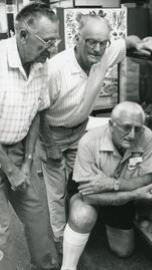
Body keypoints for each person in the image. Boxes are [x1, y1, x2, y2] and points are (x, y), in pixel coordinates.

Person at [39, 12, 152, 246]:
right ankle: (59, 239)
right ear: (77, 38)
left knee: (80, 183)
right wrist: (50, 145)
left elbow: (127, 41)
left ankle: (83, 224)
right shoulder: (56, 69)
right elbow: (38, 112)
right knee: (56, 191)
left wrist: (139, 41)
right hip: (52, 133)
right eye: (91, 42)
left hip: (79, 129)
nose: (97, 48)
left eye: (102, 42)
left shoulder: (104, 54)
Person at [60, 101, 152, 270]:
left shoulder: (147, 136)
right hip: (89, 192)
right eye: (126, 127)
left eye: (138, 128)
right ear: (111, 125)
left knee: (123, 251)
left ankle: (103, 221)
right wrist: (134, 193)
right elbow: (89, 196)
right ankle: (67, 266)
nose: (132, 134)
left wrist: (113, 184)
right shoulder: (89, 141)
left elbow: (148, 178)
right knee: (82, 216)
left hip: (118, 188)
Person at [0, 3, 60, 270]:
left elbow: (36, 112)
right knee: (1, 229)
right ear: (23, 34)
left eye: (54, 40)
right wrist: (10, 170)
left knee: (36, 217)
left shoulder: (40, 63)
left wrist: (25, 162)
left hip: (17, 150)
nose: (53, 48)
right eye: (46, 41)